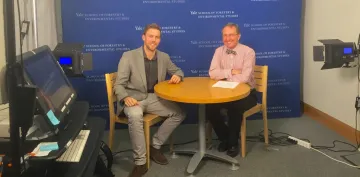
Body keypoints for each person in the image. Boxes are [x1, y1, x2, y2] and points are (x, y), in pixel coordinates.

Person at [113, 23, 186, 177]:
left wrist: (177, 76)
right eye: (151, 36)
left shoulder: (164, 57)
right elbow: (118, 84)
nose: (154, 40)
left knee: (179, 113)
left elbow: (179, 70)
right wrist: (125, 97)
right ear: (144, 37)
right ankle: (140, 163)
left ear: (160, 39)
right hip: (133, 98)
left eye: (157, 37)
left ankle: (155, 146)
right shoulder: (129, 56)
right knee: (134, 115)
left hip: (154, 98)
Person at [207, 23, 257, 157]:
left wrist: (224, 75)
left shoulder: (248, 52)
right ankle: (225, 138)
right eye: (225, 35)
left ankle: (233, 143)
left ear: (238, 36)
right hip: (224, 93)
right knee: (209, 108)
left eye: (231, 35)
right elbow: (212, 73)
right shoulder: (219, 51)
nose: (228, 38)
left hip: (247, 94)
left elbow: (245, 78)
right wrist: (231, 71)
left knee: (235, 107)